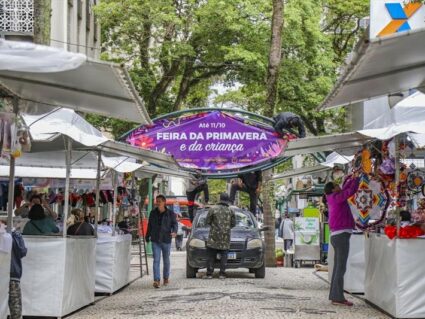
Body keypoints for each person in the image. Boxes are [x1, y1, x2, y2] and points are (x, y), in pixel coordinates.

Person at [324, 174, 360, 307]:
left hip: (337, 235)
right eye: (337, 185)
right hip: (341, 236)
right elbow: (350, 191)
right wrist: (357, 179)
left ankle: (335, 295)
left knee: (338, 267)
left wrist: (351, 178)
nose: (340, 186)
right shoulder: (336, 198)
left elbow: (345, 188)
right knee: (340, 268)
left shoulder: (333, 197)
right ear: (333, 189)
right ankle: (338, 297)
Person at [145, 194, 177, 288]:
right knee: (156, 260)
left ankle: (166, 278)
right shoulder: (152, 213)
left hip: (166, 239)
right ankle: (157, 280)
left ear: (164, 202)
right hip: (155, 240)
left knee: (166, 260)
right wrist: (147, 236)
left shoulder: (170, 213)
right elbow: (150, 225)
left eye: (159, 201)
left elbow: (175, 224)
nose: (157, 203)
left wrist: (174, 232)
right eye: (157, 201)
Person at [0, 218, 27, 319]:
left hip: (4, 273)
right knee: (15, 304)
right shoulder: (15, 235)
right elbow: (22, 251)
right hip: (13, 273)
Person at [205, 193, 236, 279]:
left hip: (213, 237)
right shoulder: (231, 210)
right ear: (227, 200)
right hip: (225, 237)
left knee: (211, 255)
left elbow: (207, 221)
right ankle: (222, 274)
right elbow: (233, 224)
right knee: (224, 255)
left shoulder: (212, 209)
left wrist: (214, 226)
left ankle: (209, 274)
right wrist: (226, 228)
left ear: (220, 199)